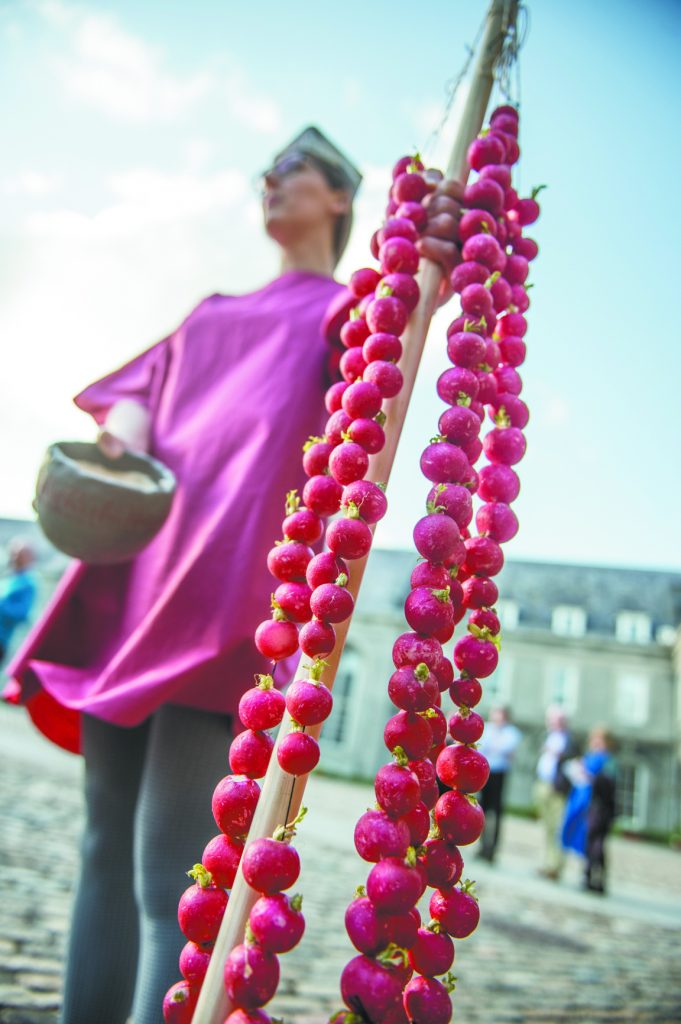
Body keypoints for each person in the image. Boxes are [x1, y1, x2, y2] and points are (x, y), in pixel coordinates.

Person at [4, 126, 462, 1024]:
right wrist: (114, 451)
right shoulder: (208, 312)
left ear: (339, 198)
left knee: (167, 876)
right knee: (102, 844)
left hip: (227, 595)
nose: (270, 182)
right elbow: (132, 412)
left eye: (291, 170)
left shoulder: (344, 307)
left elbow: (391, 357)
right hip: (139, 575)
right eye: (266, 172)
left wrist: (431, 278)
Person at [561, 727, 617, 893]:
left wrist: (591, 777)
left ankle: (598, 878)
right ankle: (587, 874)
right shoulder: (590, 757)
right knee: (588, 841)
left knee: (598, 844)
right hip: (590, 806)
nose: (595, 743)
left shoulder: (609, 761)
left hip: (601, 807)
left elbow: (609, 784)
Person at [534, 705, 576, 881]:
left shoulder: (570, 740)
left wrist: (560, 755)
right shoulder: (547, 736)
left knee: (557, 827)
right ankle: (546, 863)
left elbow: (572, 763)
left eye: (557, 720)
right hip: (542, 784)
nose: (553, 723)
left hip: (557, 788)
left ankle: (555, 866)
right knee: (546, 827)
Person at [477, 705, 521, 862]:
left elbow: (506, 749)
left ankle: (492, 848)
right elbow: (482, 747)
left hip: (499, 773)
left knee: (495, 811)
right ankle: (481, 845)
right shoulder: (487, 729)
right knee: (481, 808)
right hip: (485, 771)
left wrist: (494, 748)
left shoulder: (511, 732)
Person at [0, 538, 37, 664]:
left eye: (20, 554)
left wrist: (3, 604)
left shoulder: (27, 583)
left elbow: (21, 613)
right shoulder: (7, 578)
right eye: (14, 553)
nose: (15, 557)